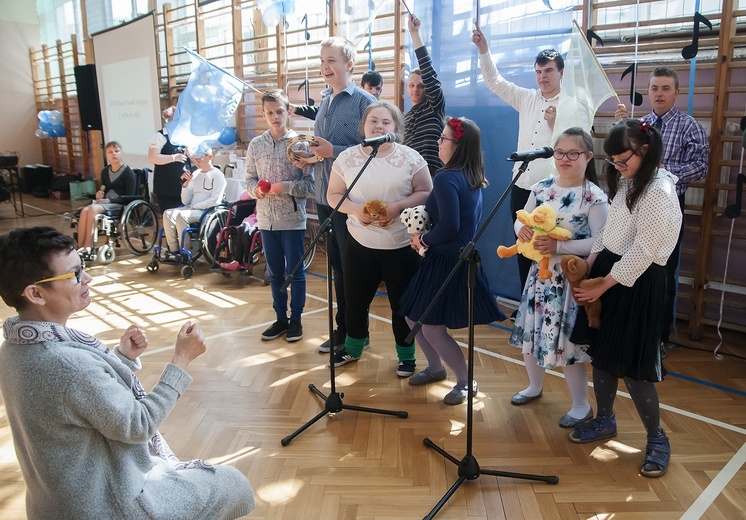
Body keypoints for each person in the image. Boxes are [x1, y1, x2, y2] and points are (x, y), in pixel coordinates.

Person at [0, 226, 254, 519]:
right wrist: (181, 360)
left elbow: (76, 401)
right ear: (35, 293)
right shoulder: (68, 365)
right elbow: (138, 425)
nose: (87, 277)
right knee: (231, 482)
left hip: (55, 502)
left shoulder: (15, 346)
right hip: (106, 505)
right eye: (74, 274)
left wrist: (122, 357)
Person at [569, 119, 682, 478]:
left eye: (623, 160)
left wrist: (602, 286)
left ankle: (657, 438)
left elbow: (645, 250)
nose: (617, 167)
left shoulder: (659, 192)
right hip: (612, 274)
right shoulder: (631, 180)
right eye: (614, 161)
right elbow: (611, 232)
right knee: (602, 358)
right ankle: (605, 420)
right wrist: (590, 264)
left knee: (634, 369)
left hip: (637, 282)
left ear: (645, 150)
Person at [399, 117, 505, 404]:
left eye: (443, 138)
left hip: (447, 259)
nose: (438, 142)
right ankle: (435, 368)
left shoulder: (447, 177)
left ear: (457, 146)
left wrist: (423, 240)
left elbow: (450, 226)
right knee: (412, 316)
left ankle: (465, 380)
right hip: (454, 258)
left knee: (431, 325)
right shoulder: (470, 175)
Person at [508, 128, 609, 426]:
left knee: (568, 344)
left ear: (588, 157)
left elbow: (601, 241)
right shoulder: (541, 187)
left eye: (573, 153)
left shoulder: (594, 197)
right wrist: (521, 230)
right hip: (539, 278)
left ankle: (581, 405)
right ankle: (534, 386)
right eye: (560, 152)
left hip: (568, 283)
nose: (565, 158)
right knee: (532, 333)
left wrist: (559, 246)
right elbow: (522, 219)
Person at [326, 102, 432, 376]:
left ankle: (406, 355)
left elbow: (426, 191)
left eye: (386, 122)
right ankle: (353, 347)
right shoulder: (347, 158)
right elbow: (334, 195)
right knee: (354, 301)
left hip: (400, 246)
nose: (379, 126)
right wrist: (355, 210)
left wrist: (397, 207)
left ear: (395, 128)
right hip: (359, 244)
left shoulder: (410, 158)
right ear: (363, 125)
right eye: (373, 121)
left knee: (401, 305)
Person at [472, 22, 563, 319]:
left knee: (548, 251)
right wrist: (484, 49)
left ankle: (549, 310)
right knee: (524, 247)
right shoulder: (527, 98)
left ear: (560, 72)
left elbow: (579, 146)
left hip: (552, 191)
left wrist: (555, 126)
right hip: (522, 185)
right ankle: (528, 308)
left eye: (548, 71)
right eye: (539, 72)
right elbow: (494, 82)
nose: (543, 77)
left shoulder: (572, 105)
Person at [614, 67, 709, 350]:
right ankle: (633, 328)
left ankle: (658, 337)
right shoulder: (638, 125)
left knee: (662, 270)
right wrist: (621, 129)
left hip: (668, 206)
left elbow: (700, 165)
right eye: (654, 88)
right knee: (631, 260)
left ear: (676, 93)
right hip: (635, 203)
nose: (659, 94)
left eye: (666, 88)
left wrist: (665, 171)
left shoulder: (689, 126)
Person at [292, 36, 377, 354]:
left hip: (350, 200)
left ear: (349, 65)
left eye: (331, 61)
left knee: (352, 270)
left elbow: (374, 149)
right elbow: (323, 149)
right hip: (324, 196)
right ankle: (345, 330)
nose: (324, 67)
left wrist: (333, 150)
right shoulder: (325, 102)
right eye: (321, 61)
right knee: (338, 269)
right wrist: (310, 156)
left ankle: (356, 333)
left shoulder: (363, 102)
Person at [245, 89, 315, 343]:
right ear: (263, 114)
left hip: (293, 220)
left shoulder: (300, 144)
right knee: (274, 273)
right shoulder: (256, 144)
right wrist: (256, 190)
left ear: (288, 112)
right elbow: (248, 178)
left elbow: (311, 185)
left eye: (280, 111)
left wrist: (283, 187)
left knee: (295, 272)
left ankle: (296, 319)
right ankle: (281, 318)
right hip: (266, 220)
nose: (275, 116)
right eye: (270, 112)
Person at [162, 148, 226, 259]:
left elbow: (216, 199)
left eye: (200, 158)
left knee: (182, 216)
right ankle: (174, 250)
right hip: (191, 207)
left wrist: (195, 206)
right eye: (195, 159)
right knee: (167, 213)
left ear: (210, 157)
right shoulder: (195, 173)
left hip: (206, 211)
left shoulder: (218, 175)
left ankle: (185, 250)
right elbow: (185, 201)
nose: (197, 161)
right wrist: (185, 185)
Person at [76, 141, 137, 255]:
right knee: (85, 210)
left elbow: (130, 196)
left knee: (92, 209)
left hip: (118, 203)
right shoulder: (105, 171)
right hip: (104, 202)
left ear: (121, 154)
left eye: (116, 151)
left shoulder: (128, 173)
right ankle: (81, 246)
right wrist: (100, 194)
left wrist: (110, 200)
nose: (114, 154)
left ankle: (88, 246)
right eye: (110, 152)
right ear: (106, 156)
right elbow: (104, 188)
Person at [404, 14, 446, 176]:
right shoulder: (404, 119)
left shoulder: (434, 107)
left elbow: (428, 71)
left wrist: (415, 35)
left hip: (431, 175)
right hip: (407, 179)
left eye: (421, 86)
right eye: (412, 85)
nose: (415, 89)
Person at [292, 69, 383, 121]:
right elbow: (323, 113)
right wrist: (298, 109)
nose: (374, 92)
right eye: (370, 88)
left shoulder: (384, 112)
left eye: (378, 89)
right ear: (362, 88)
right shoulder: (351, 103)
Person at [148, 105, 189, 212]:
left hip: (184, 186)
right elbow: (152, 157)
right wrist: (173, 157)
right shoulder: (160, 136)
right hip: (166, 187)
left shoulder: (184, 136)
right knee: (169, 217)